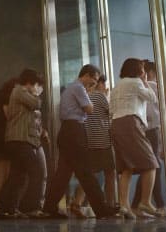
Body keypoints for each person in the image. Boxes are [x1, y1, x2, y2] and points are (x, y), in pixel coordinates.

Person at [43, 64, 117, 219]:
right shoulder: (78, 88)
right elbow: (89, 109)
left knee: (63, 174)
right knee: (86, 172)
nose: (94, 84)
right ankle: (102, 209)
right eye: (94, 80)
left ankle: (49, 207)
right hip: (75, 131)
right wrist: (91, 93)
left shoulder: (72, 87)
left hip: (67, 132)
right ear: (86, 75)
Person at [110, 58, 160, 219]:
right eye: (142, 69)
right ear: (138, 70)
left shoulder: (117, 86)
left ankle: (124, 206)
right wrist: (145, 82)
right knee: (151, 163)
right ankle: (145, 201)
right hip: (131, 122)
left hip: (116, 123)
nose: (144, 72)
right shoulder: (135, 82)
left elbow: (111, 109)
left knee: (126, 168)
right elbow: (152, 98)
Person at [0, 69, 49, 218]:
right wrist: (35, 94)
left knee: (18, 176)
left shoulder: (21, 92)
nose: (36, 87)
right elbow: (36, 103)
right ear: (28, 82)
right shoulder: (19, 91)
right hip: (19, 140)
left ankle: (8, 208)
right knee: (37, 172)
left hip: (19, 140)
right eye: (34, 84)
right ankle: (31, 207)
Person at [71, 74, 116, 218]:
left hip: (89, 142)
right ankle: (110, 205)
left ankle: (76, 203)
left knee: (89, 176)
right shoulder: (100, 96)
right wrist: (107, 97)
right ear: (99, 84)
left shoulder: (84, 97)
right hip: (103, 141)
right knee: (110, 173)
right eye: (104, 84)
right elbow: (112, 113)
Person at [131, 60, 166, 216]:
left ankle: (138, 204)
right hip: (152, 130)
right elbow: (159, 113)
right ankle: (158, 204)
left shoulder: (137, 87)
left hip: (144, 130)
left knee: (150, 168)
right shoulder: (152, 86)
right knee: (153, 167)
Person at [0, 78, 18, 208]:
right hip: (4, 139)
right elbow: (10, 117)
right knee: (3, 174)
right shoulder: (6, 98)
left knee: (1, 174)